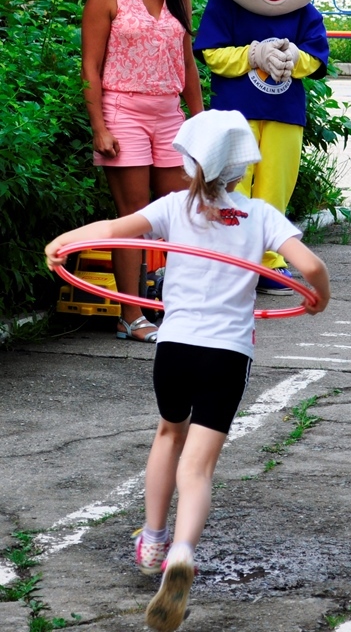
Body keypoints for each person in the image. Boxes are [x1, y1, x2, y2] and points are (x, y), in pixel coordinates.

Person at [44, 110, 331, 632]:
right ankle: (182, 555)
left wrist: (63, 243)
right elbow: (309, 268)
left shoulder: (174, 206)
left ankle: (152, 541)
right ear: (244, 166)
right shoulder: (262, 214)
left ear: (189, 162)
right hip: (226, 354)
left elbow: (112, 229)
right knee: (197, 467)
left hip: (175, 346)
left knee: (167, 435)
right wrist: (318, 298)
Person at [194, 0, 338, 295]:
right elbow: (212, 54)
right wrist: (252, 55)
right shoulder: (223, 6)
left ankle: (269, 261)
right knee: (232, 184)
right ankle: (232, 260)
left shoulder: (306, 13)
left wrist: (294, 58)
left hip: (284, 114)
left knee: (276, 185)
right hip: (234, 113)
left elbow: (316, 59)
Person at [82, 0, 203, 342]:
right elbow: (91, 69)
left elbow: (186, 64)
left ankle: (180, 303)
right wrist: (100, 126)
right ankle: (130, 314)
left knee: (180, 215)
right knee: (133, 216)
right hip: (123, 112)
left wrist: (200, 123)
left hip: (168, 113)